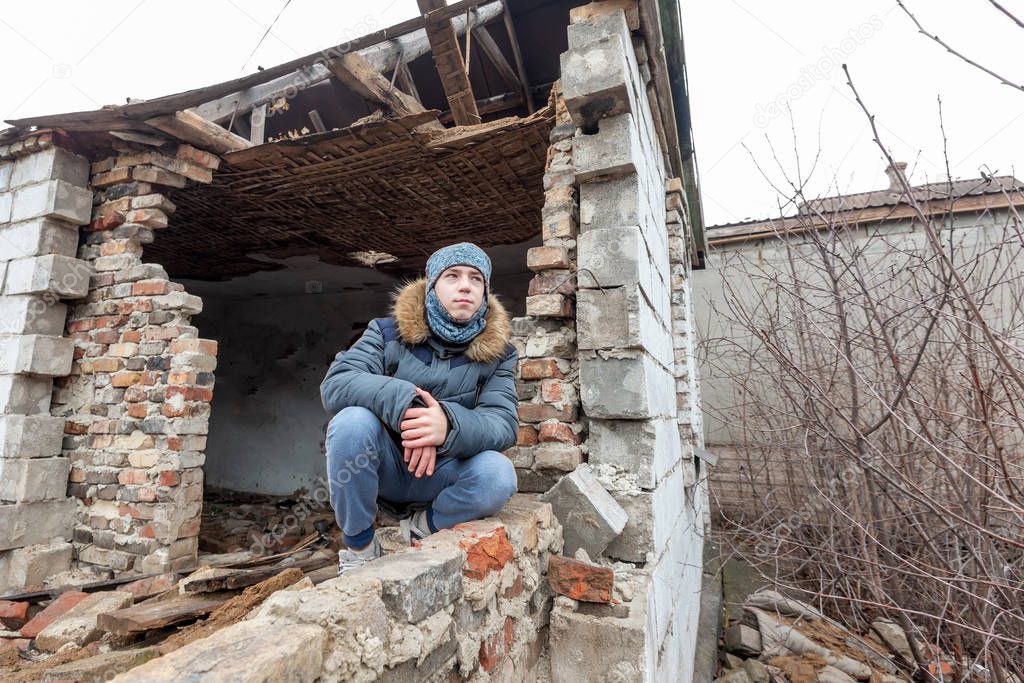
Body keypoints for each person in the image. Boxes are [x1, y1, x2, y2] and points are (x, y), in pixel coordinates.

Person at [320, 242, 519, 574]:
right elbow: (337, 383)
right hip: (388, 466)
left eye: (476, 279)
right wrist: (408, 407)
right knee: (350, 423)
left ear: (484, 292)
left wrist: (446, 426)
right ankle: (360, 547)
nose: (465, 285)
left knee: (498, 474)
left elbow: (503, 423)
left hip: (442, 476)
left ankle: (422, 526)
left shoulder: (501, 354)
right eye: (452, 276)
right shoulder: (385, 332)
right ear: (431, 285)